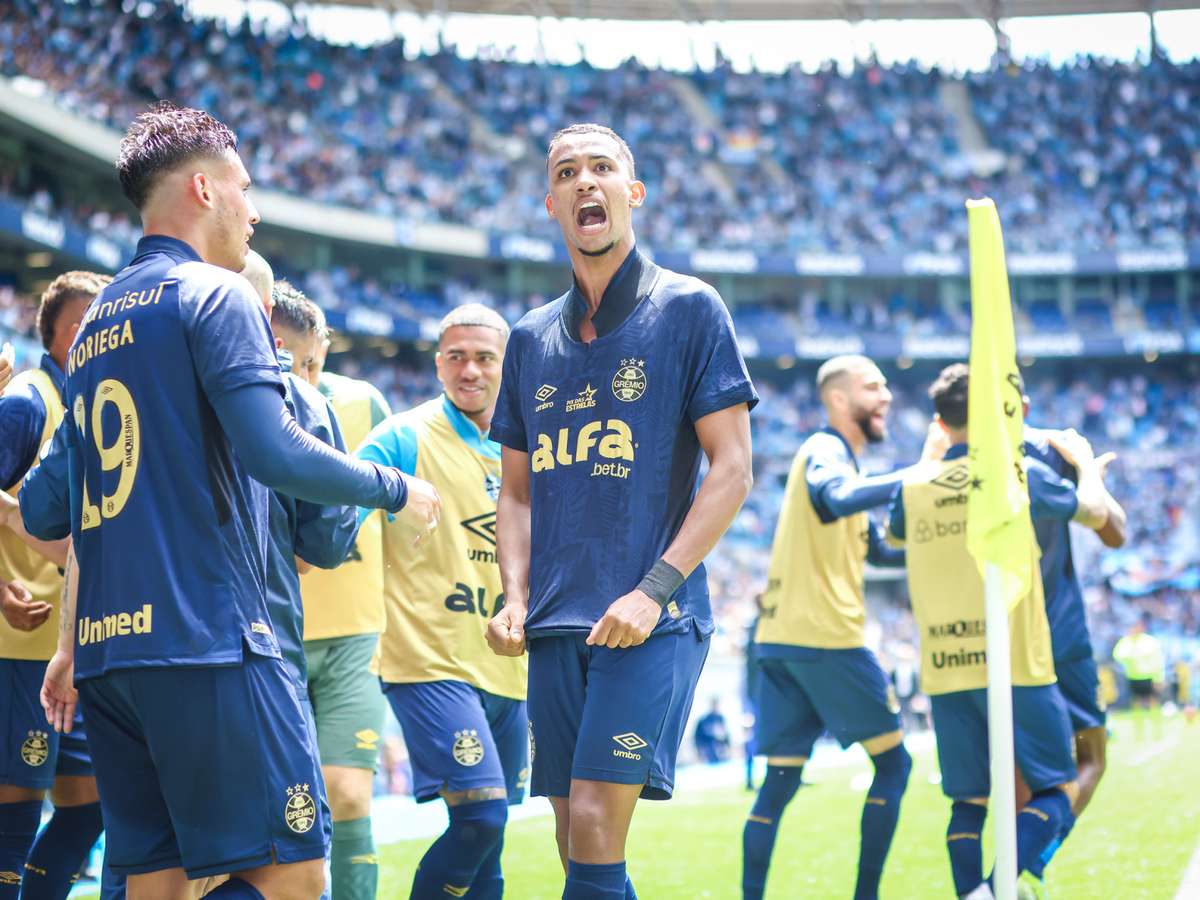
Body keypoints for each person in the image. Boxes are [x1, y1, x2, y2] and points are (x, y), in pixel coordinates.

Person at [20, 102, 438, 899]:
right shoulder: (216, 294)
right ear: (204, 190)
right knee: (293, 875)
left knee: (159, 884)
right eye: (244, 187)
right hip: (210, 644)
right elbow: (273, 451)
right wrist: (393, 487)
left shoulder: (98, 321)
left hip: (110, 659)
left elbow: (44, 509)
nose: (254, 209)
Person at [485, 122, 757, 899]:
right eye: (566, 172)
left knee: (597, 824)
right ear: (552, 203)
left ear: (631, 193)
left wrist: (653, 591)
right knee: (573, 842)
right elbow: (516, 491)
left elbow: (733, 470)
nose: (584, 181)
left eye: (601, 167)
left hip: (652, 616)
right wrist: (513, 597)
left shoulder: (690, 308)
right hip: (554, 622)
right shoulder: (528, 338)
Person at [886, 363, 1116, 900]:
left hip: (946, 664)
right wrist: (1086, 465)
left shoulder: (914, 485)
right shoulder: (1018, 473)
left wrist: (928, 458)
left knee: (967, 803)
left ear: (939, 422)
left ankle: (974, 894)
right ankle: (996, 889)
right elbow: (1094, 511)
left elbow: (893, 539)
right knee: (1057, 789)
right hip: (1015, 659)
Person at [745, 355, 940, 900]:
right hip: (827, 640)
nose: (886, 396)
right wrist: (923, 473)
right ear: (837, 398)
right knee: (895, 766)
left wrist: (944, 534)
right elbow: (835, 498)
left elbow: (881, 549)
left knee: (778, 784)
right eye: (873, 386)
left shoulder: (845, 466)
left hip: (781, 643)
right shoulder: (824, 451)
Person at [358, 303, 528, 899]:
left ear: (509, 365)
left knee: (491, 846)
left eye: (484, 358)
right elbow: (339, 498)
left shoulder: (528, 448)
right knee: (480, 818)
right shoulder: (403, 436)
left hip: (508, 666)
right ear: (437, 365)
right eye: (456, 357)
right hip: (427, 660)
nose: (469, 370)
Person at [0, 272, 108, 899]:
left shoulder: (90, 401)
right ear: (74, 334)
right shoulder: (27, 402)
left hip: (77, 651)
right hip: (20, 649)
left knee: (88, 807)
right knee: (14, 816)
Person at [296, 297, 394, 900]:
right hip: (273, 632)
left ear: (326, 348)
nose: (305, 374)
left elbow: (396, 512)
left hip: (355, 633)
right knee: (284, 803)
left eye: (313, 360)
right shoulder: (241, 399)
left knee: (350, 794)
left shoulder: (365, 403)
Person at [1022, 400, 1126, 883]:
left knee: (1019, 772)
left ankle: (1017, 869)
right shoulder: (1051, 449)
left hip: (996, 640)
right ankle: (1027, 864)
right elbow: (1114, 532)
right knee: (1091, 758)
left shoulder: (954, 455)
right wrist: (1088, 470)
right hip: (1059, 633)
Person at [1112, 616, 1165, 739]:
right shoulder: (1126, 641)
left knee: (1153, 702)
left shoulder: (1150, 642)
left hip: (1149, 677)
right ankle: (1139, 731)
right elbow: (1117, 655)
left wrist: (1158, 678)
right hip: (1133, 677)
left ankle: (1156, 729)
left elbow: (1158, 661)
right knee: (1136, 704)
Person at [693, 698, 731, 765]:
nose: (715, 707)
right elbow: (698, 737)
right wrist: (700, 751)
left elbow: (726, 736)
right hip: (708, 753)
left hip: (720, 753)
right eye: (714, 704)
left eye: (716, 704)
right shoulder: (704, 720)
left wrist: (727, 747)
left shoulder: (721, 719)